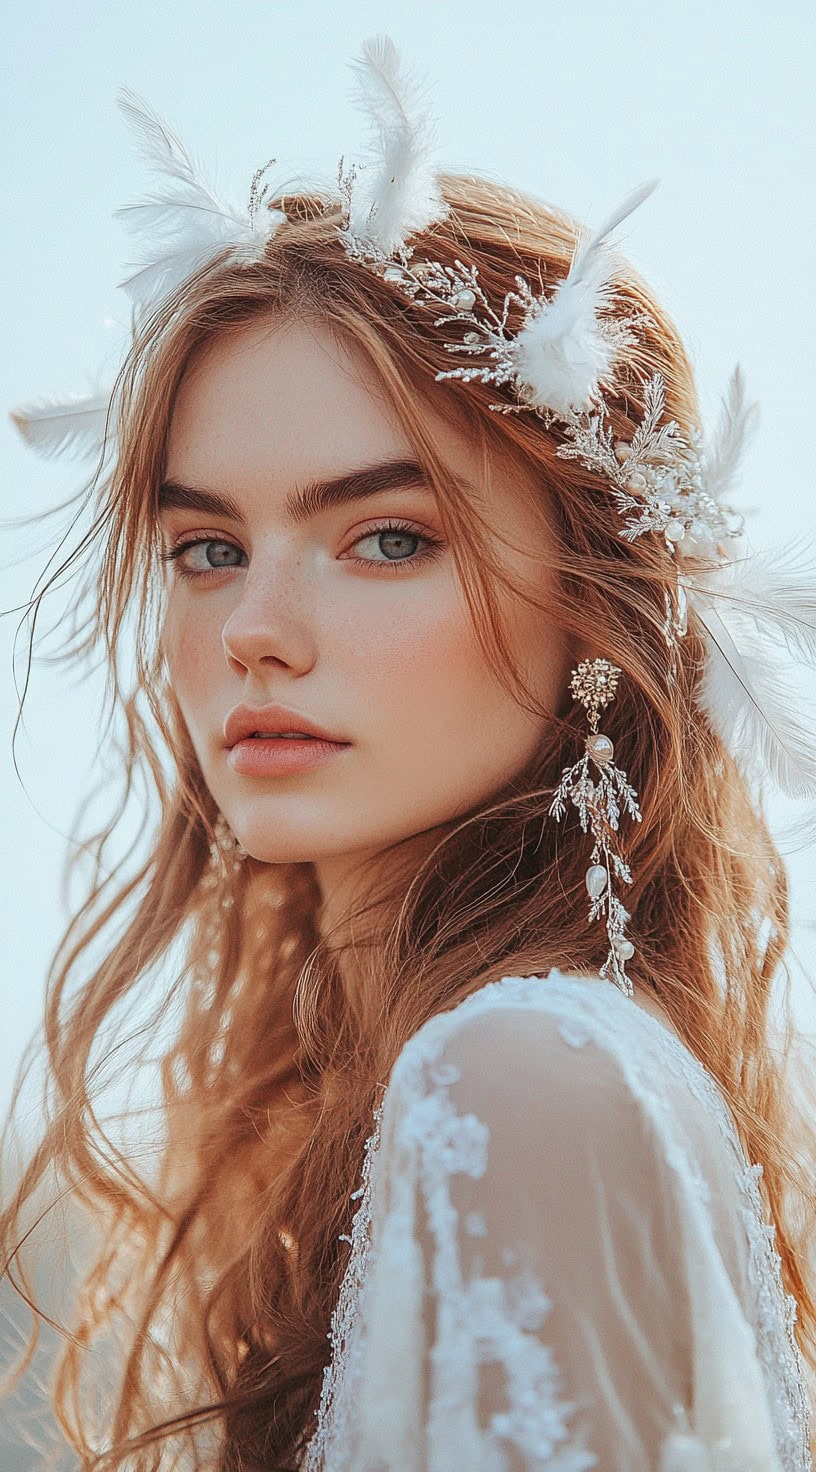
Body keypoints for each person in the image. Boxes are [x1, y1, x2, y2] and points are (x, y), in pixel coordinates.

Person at [3, 32, 816, 1472]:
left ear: (594, 606)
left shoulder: (520, 1077)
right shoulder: (448, 1083)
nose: (254, 629)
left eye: (387, 537)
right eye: (206, 547)